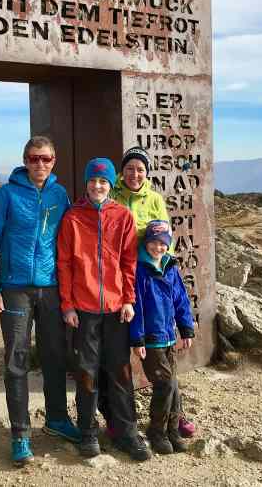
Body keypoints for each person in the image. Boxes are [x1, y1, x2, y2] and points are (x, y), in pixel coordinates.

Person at [0, 135, 81, 465]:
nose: (40, 164)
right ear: (25, 160)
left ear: (54, 161)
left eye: (46, 159)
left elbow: (68, 238)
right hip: (14, 288)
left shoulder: (59, 194)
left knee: (54, 354)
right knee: (17, 358)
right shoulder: (5, 195)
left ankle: (56, 419)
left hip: (51, 287)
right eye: (34, 158)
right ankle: (21, 433)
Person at [57, 158, 151, 461]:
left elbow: (128, 262)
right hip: (83, 310)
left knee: (120, 372)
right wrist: (68, 305)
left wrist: (128, 299)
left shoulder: (122, 217)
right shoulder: (72, 218)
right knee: (86, 373)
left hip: (115, 309)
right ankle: (88, 433)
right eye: (93, 181)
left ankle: (126, 433)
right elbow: (65, 264)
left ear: (111, 185)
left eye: (104, 182)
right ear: (86, 184)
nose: (98, 186)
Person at [109, 145, 198, 438]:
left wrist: (163, 265)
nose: (135, 174)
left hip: (147, 273)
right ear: (123, 171)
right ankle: (120, 419)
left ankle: (176, 415)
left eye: (141, 169)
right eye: (130, 168)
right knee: (122, 353)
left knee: (164, 365)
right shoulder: (113, 196)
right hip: (120, 275)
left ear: (147, 173)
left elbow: (165, 237)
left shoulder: (155, 199)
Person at [129, 220, 196, 454]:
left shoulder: (170, 267)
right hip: (150, 339)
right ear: (146, 242)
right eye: (154, 242)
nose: (158, 248)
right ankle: (156, 431)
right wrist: (137, 339)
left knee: (173, 385)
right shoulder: (139, 270)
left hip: (169, 336)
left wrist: (186, 328)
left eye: (163, 244)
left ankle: (173, 430)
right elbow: (134, 307)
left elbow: (181, 300)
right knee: (165, 384)